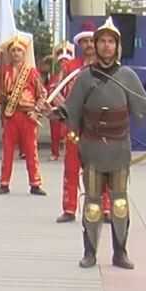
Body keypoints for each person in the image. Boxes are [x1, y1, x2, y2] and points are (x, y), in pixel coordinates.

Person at [53, 18, 146, 269]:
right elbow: (70, 110)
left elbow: (145, 106)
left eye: (111, 41)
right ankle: (90, 252)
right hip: (91, 147)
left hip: (119, 147)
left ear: (117, 46)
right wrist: (51, 112)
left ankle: (120, 252)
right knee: (92, 202)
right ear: (96, 44)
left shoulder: (128, 76)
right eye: (102, 40)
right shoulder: (83, 78)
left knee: (120, 202)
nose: (106, 45)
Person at [0, 31, 46, 196]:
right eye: (13, 51)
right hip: (10, 116)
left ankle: (35, 183)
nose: (16, 54)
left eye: (19, 51)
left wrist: (37, 111)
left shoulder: (31, 72)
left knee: (31, 150)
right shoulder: (4, 71)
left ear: (24, 53)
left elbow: (42, 94)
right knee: (7, 150)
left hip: (27, 115)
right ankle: (4, 183)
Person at [56, 24, 96, 222]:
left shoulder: (104, 66)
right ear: (79, 44)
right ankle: (69, 208)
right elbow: (54, 92)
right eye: (84, 41)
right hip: (74, 126)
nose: (88, 45)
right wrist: (67, 109)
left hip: (98, 126)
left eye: (91, 41)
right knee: (71, 166)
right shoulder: (70, 67)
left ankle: (104, 208)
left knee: (100, 167)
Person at [49, 44, 74, 161]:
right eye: (62, 61)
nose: (64, 63)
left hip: (71, 107)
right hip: (57, 108)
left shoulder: (75, 75)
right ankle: (54, 152)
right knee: (55, 130)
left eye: (66, 61)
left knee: (69, 132)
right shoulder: (53, 75)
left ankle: (69, 153)